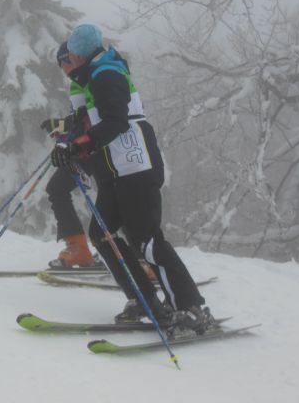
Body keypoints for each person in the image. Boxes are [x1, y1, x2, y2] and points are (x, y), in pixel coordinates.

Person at [50, 23, 214, 333]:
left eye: (71, 54)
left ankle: (191, 307)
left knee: (147, 241)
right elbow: (91, 123)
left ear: (81, 54)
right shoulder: (93, 76)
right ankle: (144, 298)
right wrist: (69, 144)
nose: (69, 60)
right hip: (115, 171)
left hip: (136, 167)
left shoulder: (106, 74)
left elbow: (116, 122)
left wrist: (78, 145)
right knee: (103, 234)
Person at [41, 42, 100, 268]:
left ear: (70, 60)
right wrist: (62, 126)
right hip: (84, 149)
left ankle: (141, 256)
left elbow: (96, 118)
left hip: (99, 148)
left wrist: (73, 139)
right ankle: (79, 249)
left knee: (114, 201)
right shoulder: (78, 82)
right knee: (57, 188)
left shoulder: (92, 78)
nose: (63, 70)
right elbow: (80, 118)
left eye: (62, 64)